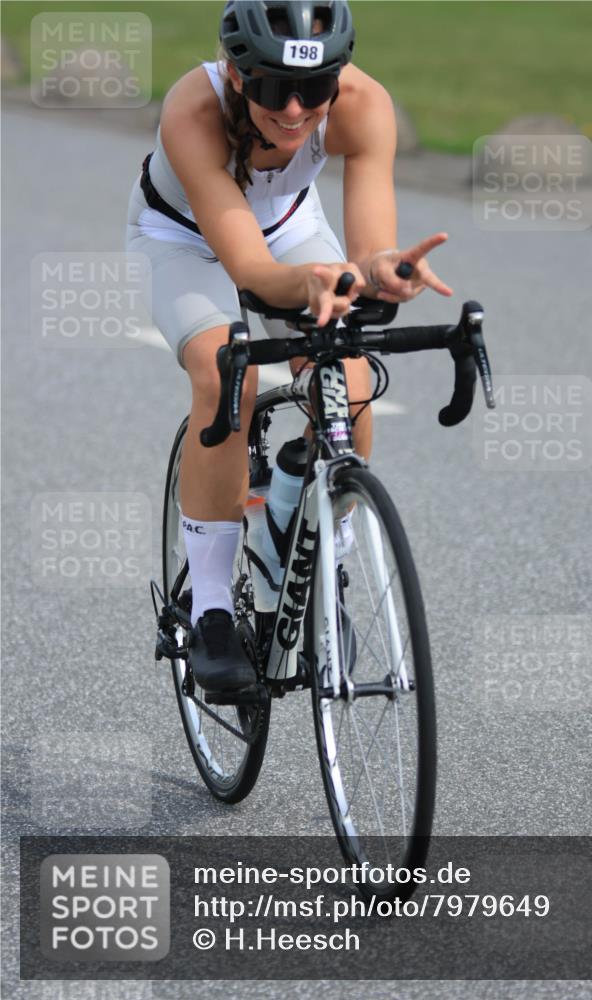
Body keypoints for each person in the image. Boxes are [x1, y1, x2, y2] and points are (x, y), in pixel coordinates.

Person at [126, 0, 452, 694]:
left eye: (316, 87)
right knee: (226, 375)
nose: (298, 109)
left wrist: (381, 274)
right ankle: (211, 611)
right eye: (276, 88)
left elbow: (368, 251)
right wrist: (311, 283)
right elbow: (248, 271)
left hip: (290, 232)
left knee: (352, 385)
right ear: (237, 74)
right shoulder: (195, 109)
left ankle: (286, 547)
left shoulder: (363, 105)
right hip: (186, 240)